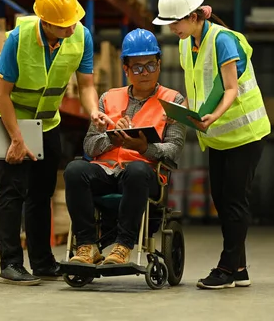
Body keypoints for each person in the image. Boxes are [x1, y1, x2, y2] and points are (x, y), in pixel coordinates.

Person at [0, 0, 113, 285]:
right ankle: (11, 263)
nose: (71, 28)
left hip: (47, 122)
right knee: (12, 190)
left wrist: (93, 110)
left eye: (72, 21)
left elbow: (85, 85)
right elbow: (3, 93)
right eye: (64, 25)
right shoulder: (19, 39)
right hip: (10, 118)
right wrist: (16, 137)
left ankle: (42, 262)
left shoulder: (81, 36)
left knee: (41, 193)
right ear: (45, 22)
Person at [153, 0, 271, 289]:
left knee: (234, 200)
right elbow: (200, 87)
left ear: (194, 16)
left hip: (245, 133)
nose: (172, 28)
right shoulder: (184, 44)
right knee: (222, 197)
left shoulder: (223, 41)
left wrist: (212, 116)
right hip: (217, 135)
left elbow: (231, 88)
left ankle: (226, 267)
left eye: (175, 21)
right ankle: (240, 268)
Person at [63, 29, 186, 266]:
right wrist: (111, 139)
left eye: (150, 65)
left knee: (137, 171)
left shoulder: (173, 101)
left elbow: (173, 149)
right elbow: (89, 144)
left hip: (144, 175)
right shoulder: (108, 98)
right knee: (74, 170)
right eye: (137, 68)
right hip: (106, 170)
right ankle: (87, 246)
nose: (145, 73)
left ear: (159, 65)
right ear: (126, 69)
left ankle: (123, 246)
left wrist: (144, 148)